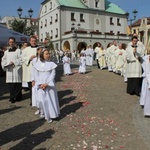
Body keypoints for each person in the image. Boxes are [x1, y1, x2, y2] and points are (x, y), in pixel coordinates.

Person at [32, 49, 60, 123]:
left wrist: (47, 83)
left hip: (49, 84)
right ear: (42, 55)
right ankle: (43, 112)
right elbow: (35, 75)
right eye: (46, 54)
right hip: (40, 84)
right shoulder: (36, 64)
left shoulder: (51, 64)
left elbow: (53, 74)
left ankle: (50, 115)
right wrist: (40, 84)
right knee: (41, 100)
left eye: (49, 54)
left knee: (49, 100)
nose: (48, 55)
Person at [1, 37, 22, 103]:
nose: (11, 43)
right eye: (10, 42)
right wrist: (6, 64)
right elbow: (3, 60)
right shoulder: (6, 52)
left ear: (15, 42)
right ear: (8, 43)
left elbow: (21, 59)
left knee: (17, 84)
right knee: (11, 85)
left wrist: (14, 62)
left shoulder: (18, 51)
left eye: (12, 42)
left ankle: (18, 97)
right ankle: (12, 97)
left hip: (16, 69)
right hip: (10, 70)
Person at [22, 36, 38, 105]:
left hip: (38, 70)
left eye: (35, 41)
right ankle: (32, 100)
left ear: (36, 41)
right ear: (30, 41)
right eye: (32, 41)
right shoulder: (25, 50)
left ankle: (38, 100)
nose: (33, 42)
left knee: (38, 86)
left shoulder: (40, 49)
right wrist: (29, 58)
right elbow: (22, 58)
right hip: (30, 70)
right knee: (31, 87)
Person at [31, 46, 44, 115]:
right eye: (40, 50)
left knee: (42, 95)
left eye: (42, 51)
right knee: (36, 95)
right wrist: (33, 80)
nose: (41, 52)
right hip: (36, 80)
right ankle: (38, 108)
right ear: (37, 51)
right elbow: (32, 70)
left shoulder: (44, 60)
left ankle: (43, 109)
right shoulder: (34, 60)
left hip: (43, 79)